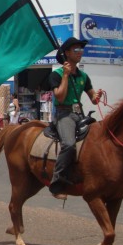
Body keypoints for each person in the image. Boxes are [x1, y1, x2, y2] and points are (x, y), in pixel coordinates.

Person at [47, 37, 102, 200]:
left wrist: (97, 96)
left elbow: (93, 98)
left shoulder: (84, 76)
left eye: (81, 50)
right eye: (76, 50)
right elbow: (61, 97)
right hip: (64, 114)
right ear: (67, 54)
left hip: (80, 114)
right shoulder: (56, 75)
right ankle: (56, 183)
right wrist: (65, 75)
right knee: (69, 145)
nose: (80, 52)